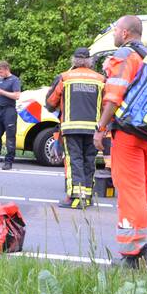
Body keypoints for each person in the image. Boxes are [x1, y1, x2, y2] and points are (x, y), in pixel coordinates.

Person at [94, 15, 147, 270]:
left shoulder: (124, 56)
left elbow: (114, 96)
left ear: (126, 33)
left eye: (115, 30)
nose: (113, 34)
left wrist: (100, 128)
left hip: (129, 134)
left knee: (130, 190)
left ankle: (134, 255)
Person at [45, 47, 105, 209]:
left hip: (71, 127)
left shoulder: (65, 77)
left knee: (74, 161)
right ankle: (87, 196)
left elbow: (50, 103)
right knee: (89, 161)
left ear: (74, 60)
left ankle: (76, 198)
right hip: (94, 129)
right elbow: (107, 105)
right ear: (90, 61)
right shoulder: (100, 79)